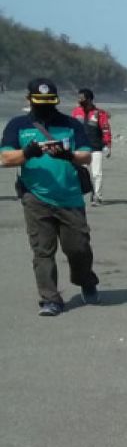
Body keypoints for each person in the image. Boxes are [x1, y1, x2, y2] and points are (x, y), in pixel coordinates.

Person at [0, 78, 100, 316]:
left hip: (70, 197)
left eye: (49, 103)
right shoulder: (17, 125)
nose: (45, 107)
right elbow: (5, 158)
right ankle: (50, 298)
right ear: (29, 100)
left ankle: (85, 279)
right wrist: (27, 152)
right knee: (42, 250)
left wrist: (68, 155)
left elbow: (86, 156)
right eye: (40, 102)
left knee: (78, 248)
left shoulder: (71, 125)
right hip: (35, 197)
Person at [71, 88, 111, 206]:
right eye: (78, 98)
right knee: (80, 172)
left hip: (96, 147)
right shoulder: (76, 112)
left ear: (89, 99)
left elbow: (105, 129)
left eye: (82, 98)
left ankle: (97, 197)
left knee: (96, 174)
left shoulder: (99, 113)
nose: (79, 100)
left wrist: (108, 145)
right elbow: (71, 129)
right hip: (80, 148)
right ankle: (80, 194)